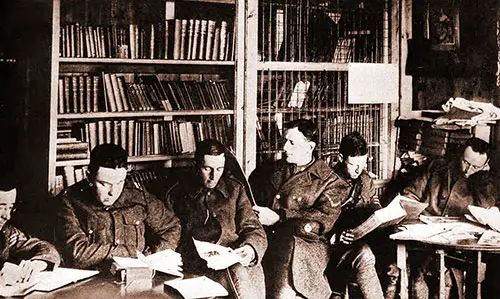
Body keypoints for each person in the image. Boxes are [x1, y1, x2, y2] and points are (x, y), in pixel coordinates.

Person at [249, 118, 341, 299]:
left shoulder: (331, 181)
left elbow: (322, 219)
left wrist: (279, 216)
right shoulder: (269, 171)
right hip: (266, 239)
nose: (285, 148)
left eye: (292, 143)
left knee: (281, 292)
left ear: (310, 147)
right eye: (285, 141)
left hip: (305, 245)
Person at [164, 139, 267, 299]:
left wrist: (250, 249)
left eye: (219, 169)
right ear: (196, 166)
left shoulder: (235, 190)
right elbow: (169, 232)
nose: (214, 176)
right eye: (207, 169)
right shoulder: (176, 194)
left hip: (234, 262)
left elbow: (254, 229)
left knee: (238, 274)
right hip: (194, 266)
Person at [55, 144, 181, 270]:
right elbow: (76, 252)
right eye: (105, 184)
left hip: (137, 277)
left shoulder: (140, 197)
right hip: (93, 283)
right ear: (89, 177)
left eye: (120, 182)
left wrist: (154, 255)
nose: (113, 192)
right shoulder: (69, 202)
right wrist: (130, 253)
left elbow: (172, 226)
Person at [400, 137, 497, 298]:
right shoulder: (436, 167)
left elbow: (486, 210)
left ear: (484, 166)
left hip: (456, 248)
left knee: (449, 278)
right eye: (466, 163)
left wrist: (481, 177)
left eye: (475, 167)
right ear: (460, 156)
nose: (467, 170)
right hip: (422, 238)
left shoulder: (484, 181)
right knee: (416, 273)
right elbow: (409, 195)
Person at [325, 131, 386, 299]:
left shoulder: (365, 180)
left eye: (364, 163)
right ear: (340, 157)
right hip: (331, 248)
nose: (360, 169)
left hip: (363, 239)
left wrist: (382, 215)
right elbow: (317, 221)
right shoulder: (326, 182)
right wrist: (336, 235)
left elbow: (373, 202)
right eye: (353, 164)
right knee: (365, 254)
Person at [0, 176, 60, 284]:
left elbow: (44, 247)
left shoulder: (6, 232)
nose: (7, 216)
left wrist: (39, 262)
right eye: (1, 208)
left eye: (10, 208)